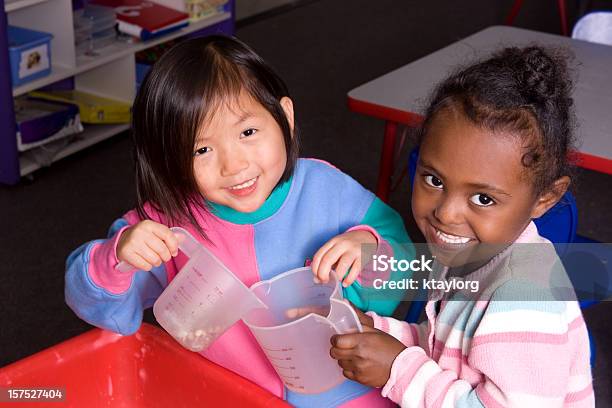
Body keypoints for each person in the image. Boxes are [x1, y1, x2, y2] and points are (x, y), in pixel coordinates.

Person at [65, 35, 413, 407]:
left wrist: (368, 247)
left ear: (286, 118)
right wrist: (116, 258)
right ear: (170, 159)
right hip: (229, 396)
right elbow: (107, 313)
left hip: (349, 396)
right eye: (201, 149)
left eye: (248, 132)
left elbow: (412, 268)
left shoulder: (327, 187)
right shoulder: (166, 223)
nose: (234, 166)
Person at [329, 46, 595, 407]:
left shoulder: (522, 298)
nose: (447, 214)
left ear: (544, 199)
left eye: (483, 199)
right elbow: (446, 346)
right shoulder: (466, 250)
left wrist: (397, 369)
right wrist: (377, 331)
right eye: (434, 180)